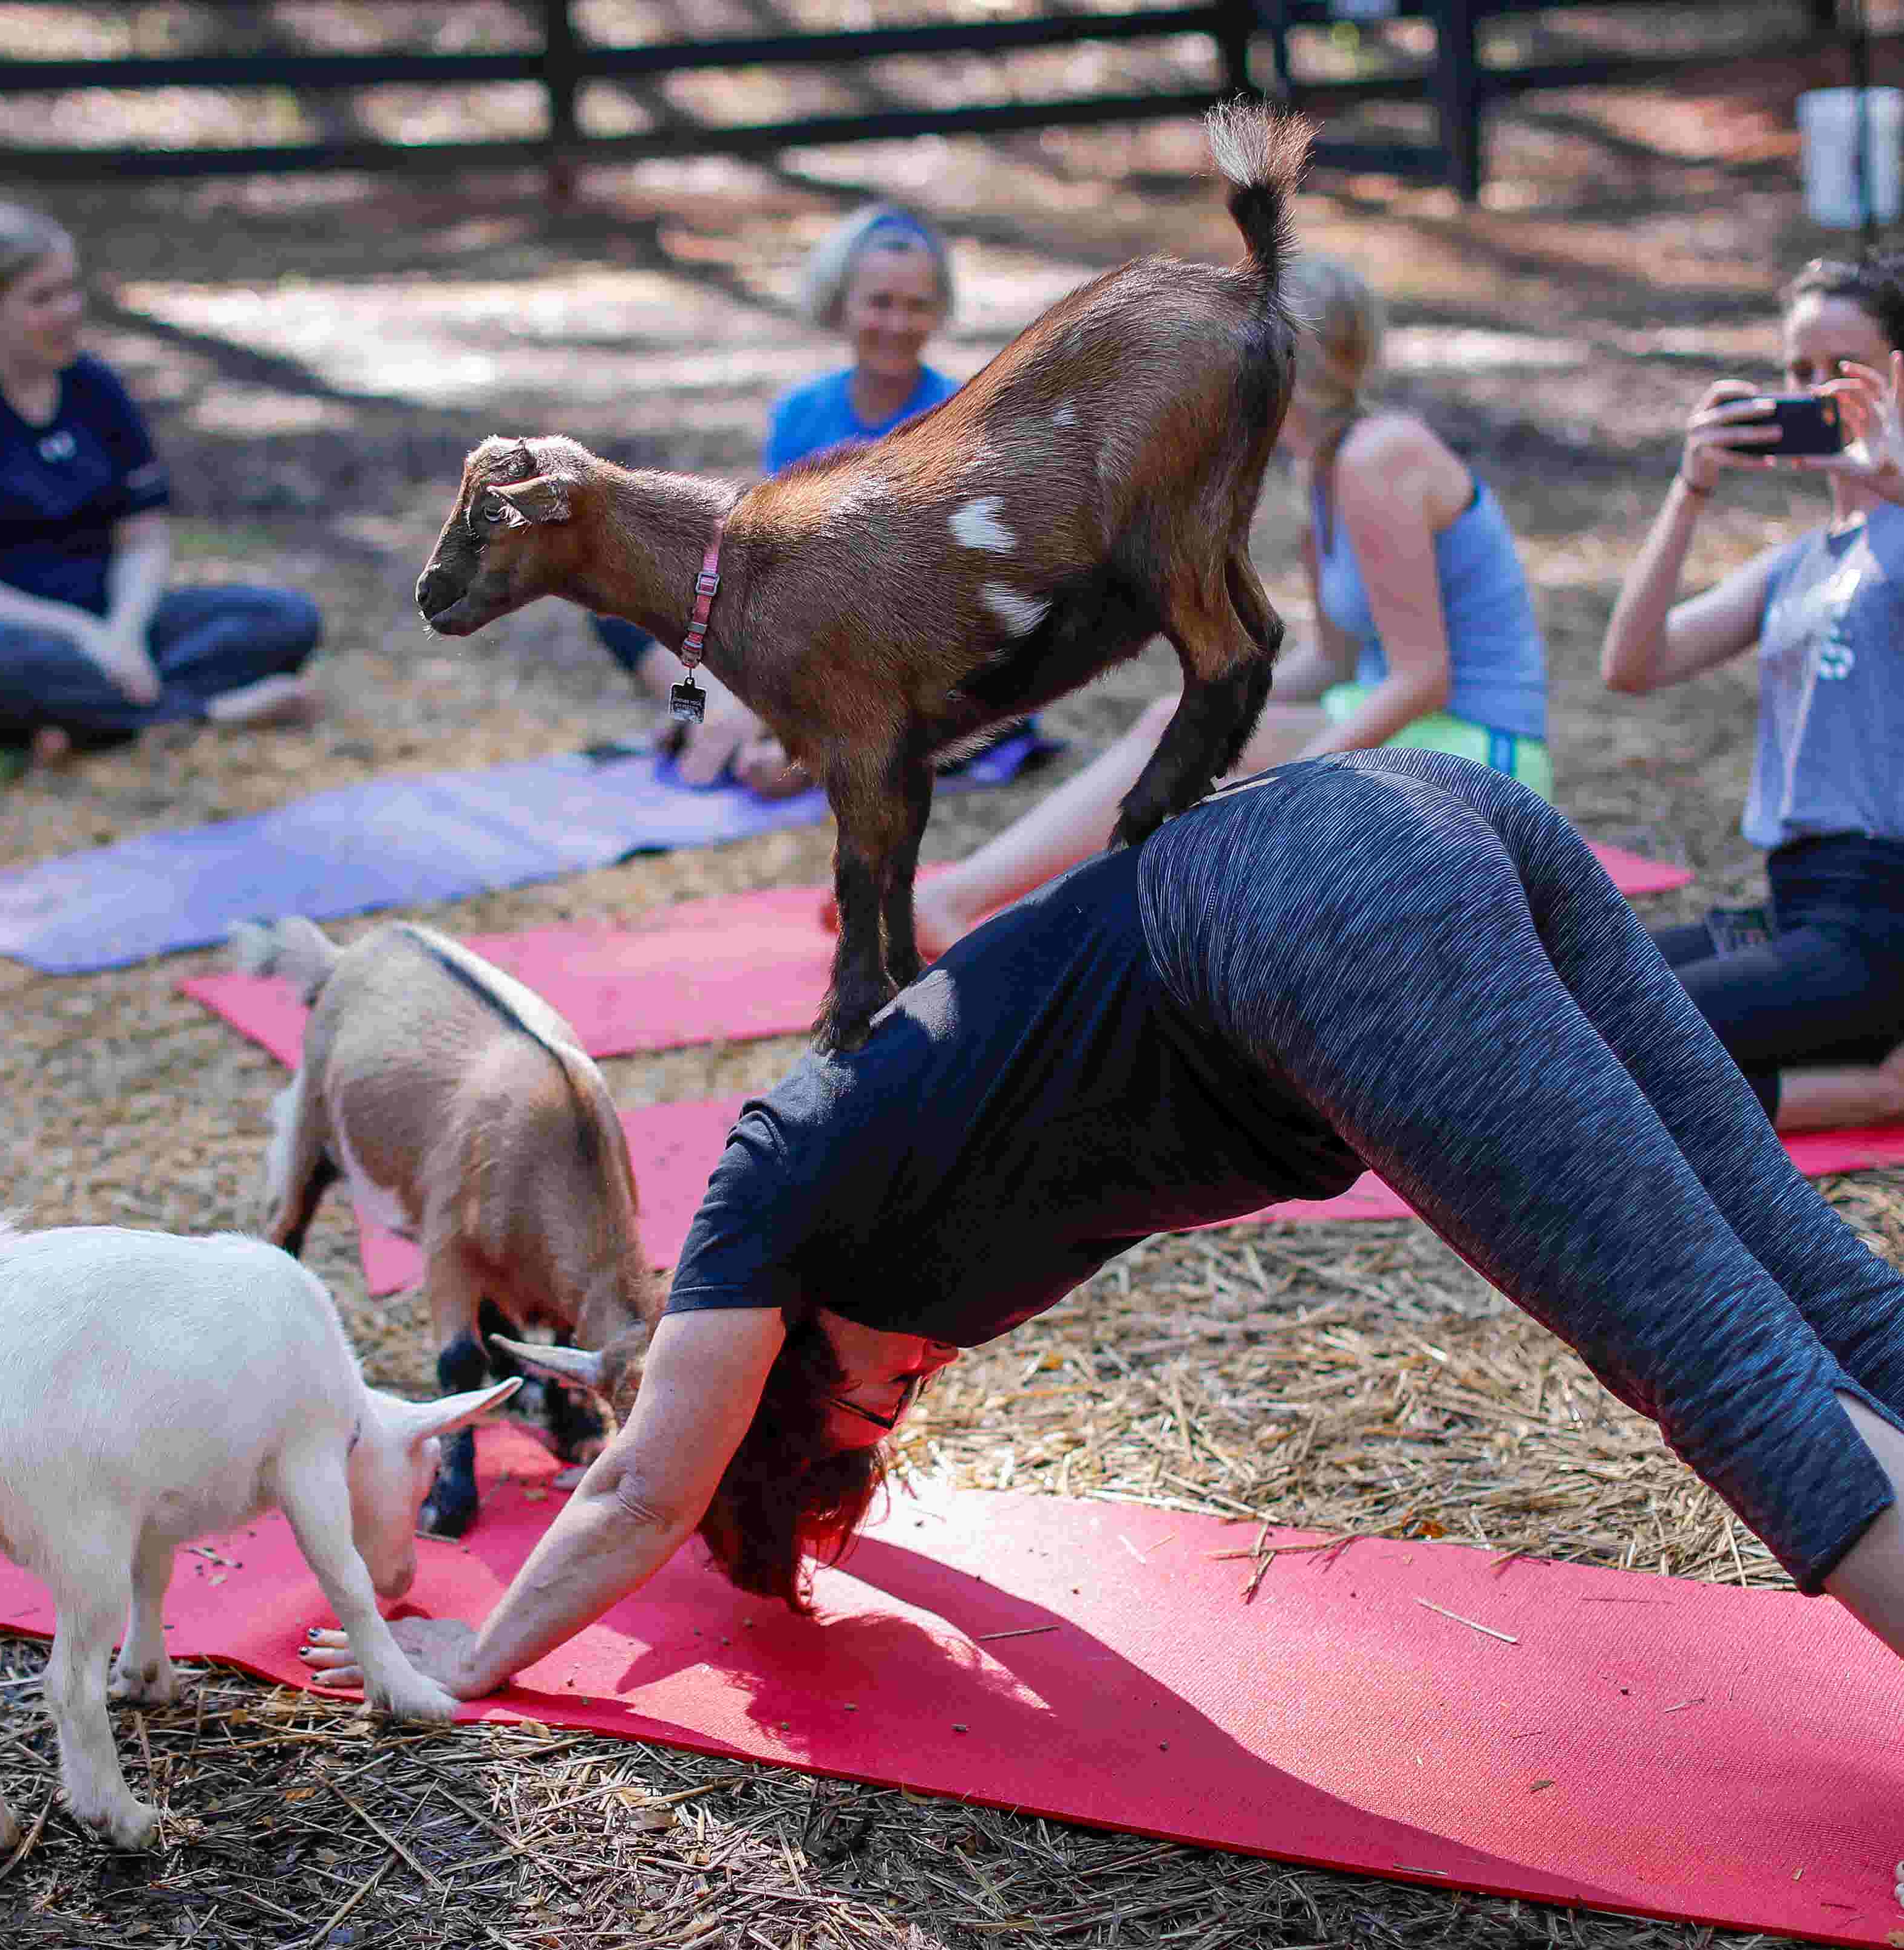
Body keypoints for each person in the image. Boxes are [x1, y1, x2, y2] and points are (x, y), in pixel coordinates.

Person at [302, 749, 1904, 1702]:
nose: (909, 1395)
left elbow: (648, 1487)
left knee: (1719, 1362)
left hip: (1321, 911)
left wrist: (465, 1660)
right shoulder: (874, 1232)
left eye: (867, 1419)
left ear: (786, 1400)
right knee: (1810, 1285)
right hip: (1409, 824)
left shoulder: (767, 1194)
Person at [898, 253, 1550, 960]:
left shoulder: (1378, 459)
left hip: (1488, 758)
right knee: (1177, 728)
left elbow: (1423, 676)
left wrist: (1294, 772)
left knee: (1200, 759)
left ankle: (971, 906)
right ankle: (977, 905)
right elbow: (1335, 659)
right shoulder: (1323, 471)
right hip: (1423, 733)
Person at [1599, 250, 1904, 1133]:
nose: (1808, 392)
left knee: (1621, 1041)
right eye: (1794, 372)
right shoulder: (1795, 567)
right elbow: (1632, 664)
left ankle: (1870, 1094)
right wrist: (1690, 488)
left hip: (1881, 917)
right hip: (1796, 907)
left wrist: (1890, 474)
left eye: (1835, 372)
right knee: (1569, 998)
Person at [0, 199, 322, 764]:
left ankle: (73, 723)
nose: (70, 310)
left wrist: (123, 630)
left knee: (286, 620)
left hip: (109, 614)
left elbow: (143, 537)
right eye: (42, 298)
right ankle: (204, 710)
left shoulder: (96, 388)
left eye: (71, 289)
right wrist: (82, 635)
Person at [592, 203, 968, 797]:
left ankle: (761, 734)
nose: (896, 323)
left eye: (916, 305)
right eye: (879, 302)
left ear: (937, 312)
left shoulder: (958, 417)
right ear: (841, 305)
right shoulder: (801, 411)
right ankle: (726, 716)